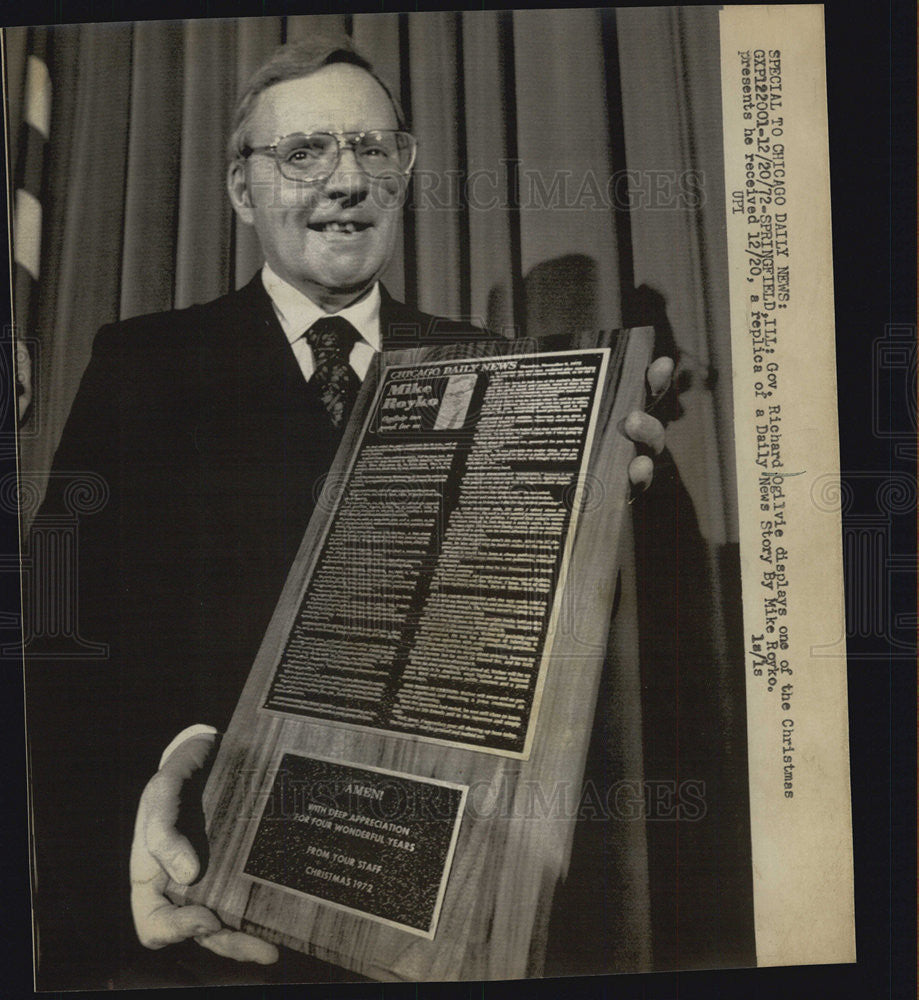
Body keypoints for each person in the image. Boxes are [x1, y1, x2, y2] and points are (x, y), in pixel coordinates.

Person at [26, 33, 671, 989]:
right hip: (208, 900)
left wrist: (590, 525)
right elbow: (56, 630)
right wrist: (159, 783)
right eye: (304, 153)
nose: (346, 180)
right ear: (244, 191)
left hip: (431, 912)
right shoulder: (143, 363)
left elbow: (507, 653)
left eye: (375, 150)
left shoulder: (494, 371)